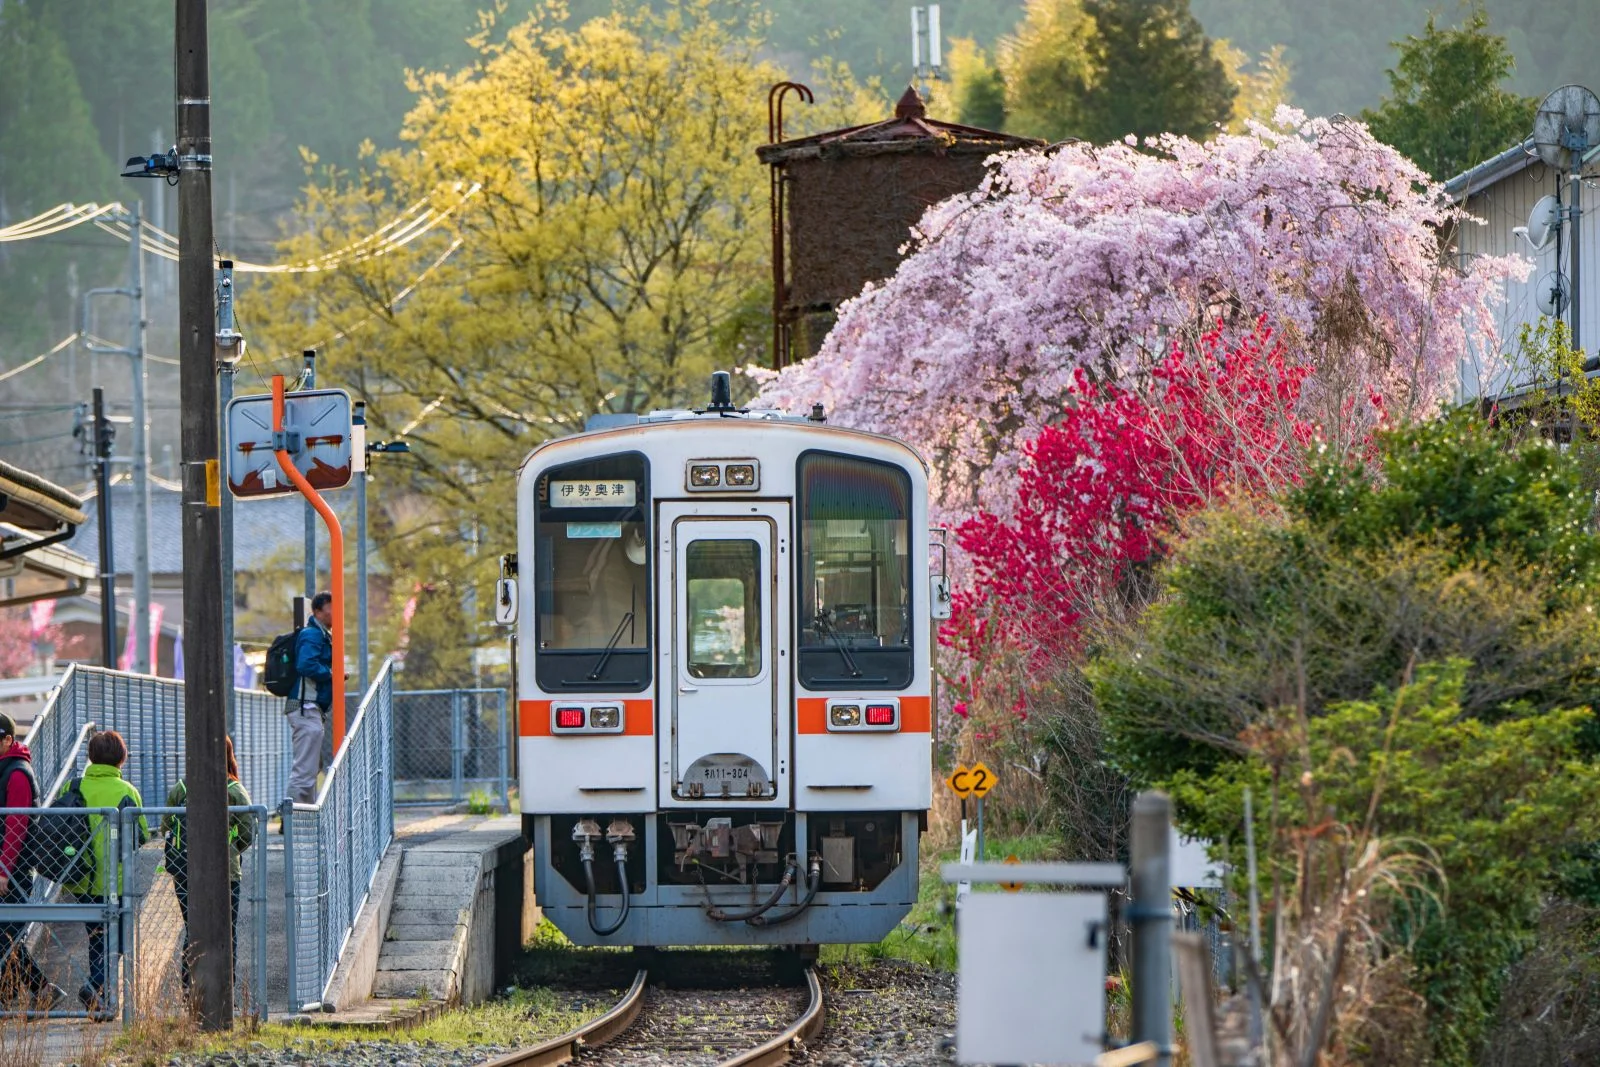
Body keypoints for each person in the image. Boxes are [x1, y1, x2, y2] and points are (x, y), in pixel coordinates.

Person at [64, 729, 148, 1019]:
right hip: (118, 881)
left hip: (81, 879)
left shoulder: (73, 787)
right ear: (121, 759)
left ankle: (101, 999)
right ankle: (95, 989)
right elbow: (143, 835)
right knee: (120, 941)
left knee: (96, 938)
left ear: (91, 757)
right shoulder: (127, 791)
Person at [164, 736, 253, 994]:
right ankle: (224, 990)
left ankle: (189, 988)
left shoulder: (182, 787)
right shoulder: (234, 790)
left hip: (184, 869)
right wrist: (230, 848)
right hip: (226, 871)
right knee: (226, 931)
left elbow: (166, 825)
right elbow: (247, 832)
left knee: (193, 928)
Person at [0, 713, 65, 1009]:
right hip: (7, 867)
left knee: (6, 936)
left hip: (12, 870)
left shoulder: (16, 773)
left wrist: (4, 870)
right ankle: (21, 990)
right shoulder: (8, 769)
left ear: (9, 740)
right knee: (6, 936)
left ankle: (41, 989)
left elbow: (16, 825)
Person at [289, 591, 335, 805]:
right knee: (305, 770)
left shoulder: (320, 634)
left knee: (310, 767)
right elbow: (305, 664)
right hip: (305, 706)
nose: (335, 613)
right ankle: (293, 820)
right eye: (331, 608)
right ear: (317, 611)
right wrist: (331, 674)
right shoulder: (313, 634)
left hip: (309, 707)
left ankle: (301, 817)